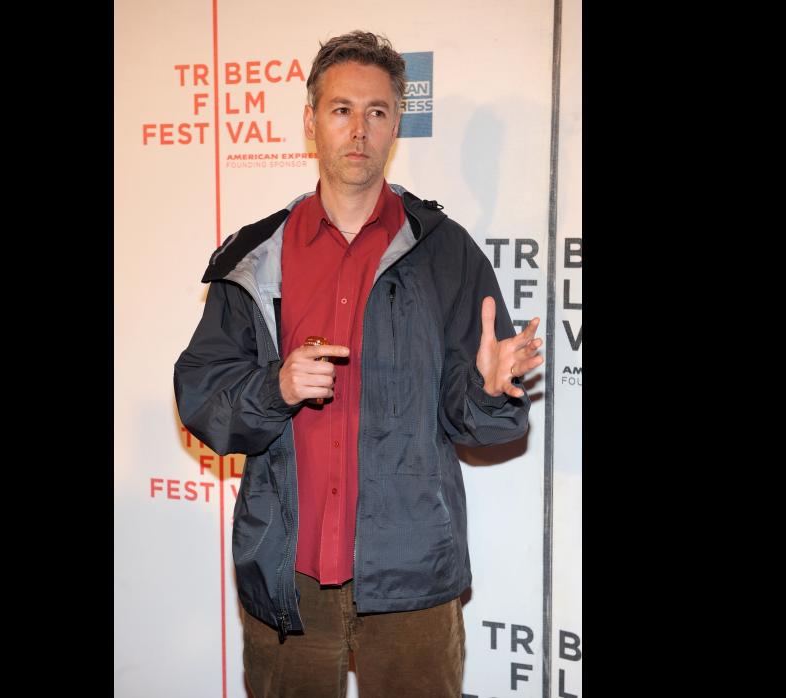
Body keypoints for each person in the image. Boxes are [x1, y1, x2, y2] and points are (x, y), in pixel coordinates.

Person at [174, 30, 544, 698]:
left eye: (377, 112)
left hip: (413, 584)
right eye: (342, 109)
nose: (359, 129)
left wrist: (493, 392)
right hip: (288, 579)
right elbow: (203, 395)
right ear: (312, 120)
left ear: (397, 123)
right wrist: (274, 386)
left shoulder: (447, 253)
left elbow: (479, 424)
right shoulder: (258, 257)